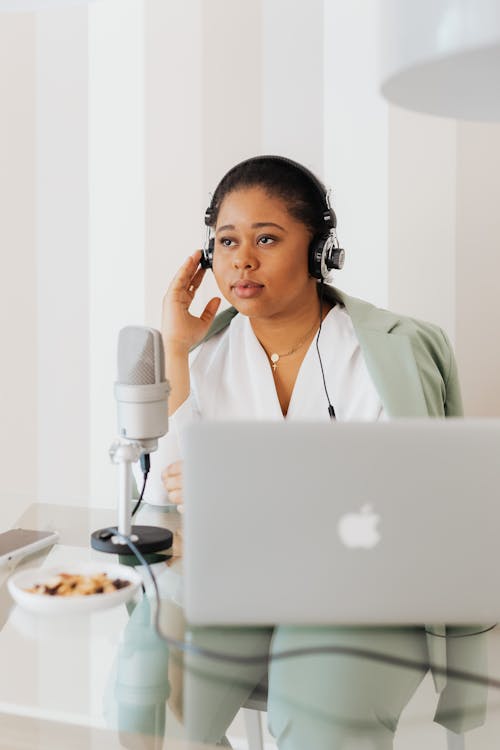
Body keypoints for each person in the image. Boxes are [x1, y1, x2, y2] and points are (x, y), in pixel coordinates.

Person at [159, 155, 491, 749]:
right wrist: (178, 352)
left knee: (316, 719)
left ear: (319, 251)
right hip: (242, 581)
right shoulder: (208, 354)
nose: (242, 259)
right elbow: (173, 492)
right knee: (155, 703)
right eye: (226, 241)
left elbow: (409, 506)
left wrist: (244, 490)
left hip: (367, 591)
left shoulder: (388, 352)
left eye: (267, 238)